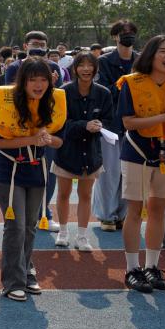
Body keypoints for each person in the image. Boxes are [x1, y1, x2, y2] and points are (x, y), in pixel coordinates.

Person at [0, 58, 66, 302]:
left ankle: (26, 269)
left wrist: (48, 139)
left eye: (43, 79)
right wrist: (32, 139)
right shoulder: (6, 101)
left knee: (31, 224)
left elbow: (59, 141)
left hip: (36, 169)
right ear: (22, 81)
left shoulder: (53, 102)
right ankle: (13, 281)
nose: (38, 84)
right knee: (16, 225)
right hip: (8, 170)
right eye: (33, 79)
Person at [115, 35, 165, 293]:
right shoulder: (132, 83)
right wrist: (163, 116)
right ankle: (132, 269)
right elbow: (128, 122)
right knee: (135, 211)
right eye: (162, 51)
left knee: (158, 210)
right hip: (137, 153)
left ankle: (152, 266)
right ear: (151, 54)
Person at [3, 31, 65, 233]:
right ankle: (25, 214)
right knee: (24, 172)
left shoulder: (54, 66)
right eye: (34, 43)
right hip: (21, 127)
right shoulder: (14, 67)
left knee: (49, 173)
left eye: (42, 44)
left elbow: (58, 98)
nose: (38, 47)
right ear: (25, 46)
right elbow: (9, 94)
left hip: (46, 125)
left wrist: (51, 86)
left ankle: (44, 213)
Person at [52, 51, 112, 251]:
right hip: (67, 151)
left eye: (90, 65)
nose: (86, 69)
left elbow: (109, 121)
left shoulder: (103, 93)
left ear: (95, 69)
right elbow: (59, 124)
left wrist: (100, 125)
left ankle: (82, 236)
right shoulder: (63, 92)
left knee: (85, 194)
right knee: (63, 193)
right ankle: (62, 231)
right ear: (75, 68)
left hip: (91, 152)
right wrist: (84, 125)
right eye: (81, 65)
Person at [93, 20, 138, 232]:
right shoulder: (103, 62)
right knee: (109, 173)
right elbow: (103, 91)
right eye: (123, 32)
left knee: (129, 173)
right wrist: (127, 84)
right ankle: (106, 215)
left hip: (136, 125)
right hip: (111, 125)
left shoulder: (142, 60)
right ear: (115, 36)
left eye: (131, 32)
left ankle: (122, 214)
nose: (127, 35)